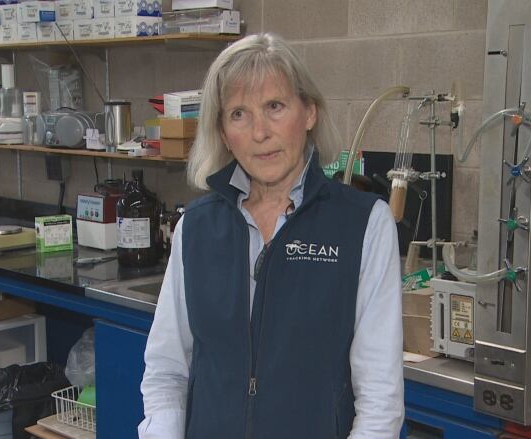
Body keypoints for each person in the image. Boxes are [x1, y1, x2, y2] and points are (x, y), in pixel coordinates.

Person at [139, 33, 403, 439]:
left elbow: (380, 399)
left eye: (274, 107)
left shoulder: (364, 224)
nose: (259, 132)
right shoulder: (196, 227)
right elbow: (166, 370)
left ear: (309, 112)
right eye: (239, 114)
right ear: (224, 133)